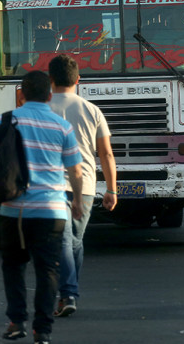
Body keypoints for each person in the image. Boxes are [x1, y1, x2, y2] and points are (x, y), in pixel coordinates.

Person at [0, 71, 115, 344]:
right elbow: (75, 169)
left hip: (12, 208)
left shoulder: (5, 121)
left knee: (13, 267)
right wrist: (75, 201)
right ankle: (43, 330)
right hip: (50, 208)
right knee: (47, 268)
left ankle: (16, 321)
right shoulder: (61, 126)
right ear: (48, 95)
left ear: (21, 95)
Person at [47, 54, 117, 318]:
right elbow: (106, 154)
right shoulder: (92, 110)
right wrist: (111, 189)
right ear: (78, 79)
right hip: (86, 185)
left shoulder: (41, 109)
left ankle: (67, 293)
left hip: (51, 185)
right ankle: (69, 292)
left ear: (50, 79)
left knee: (66, 240)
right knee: (74, 240)